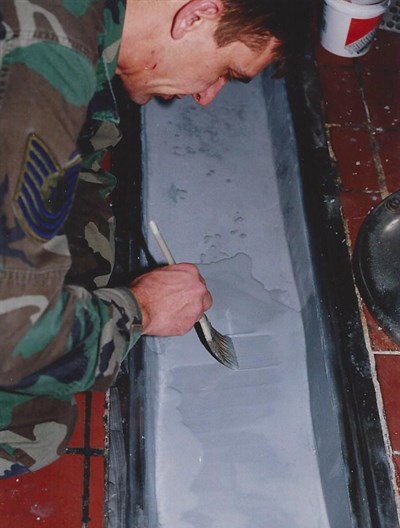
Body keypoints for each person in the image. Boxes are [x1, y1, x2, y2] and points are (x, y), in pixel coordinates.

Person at [0, 0, 311, 477]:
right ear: (196, 15)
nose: (207, 96)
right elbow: (12, 334)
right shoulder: (46, 63)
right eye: (225, 71)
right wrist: (139, 310)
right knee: (35, 425)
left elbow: (80, 162)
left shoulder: (92, 23)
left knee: (84, 262)